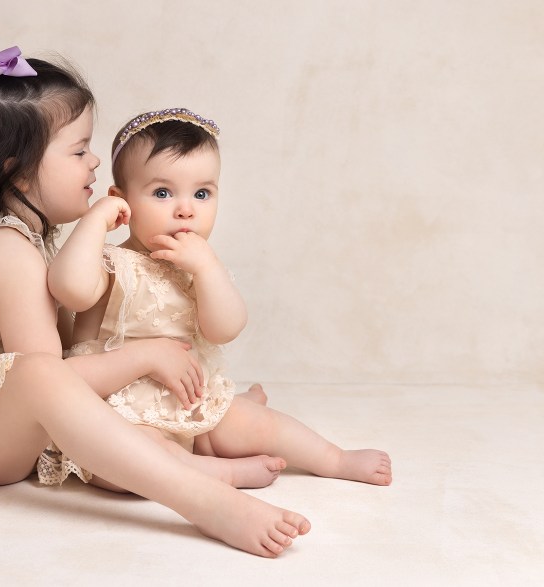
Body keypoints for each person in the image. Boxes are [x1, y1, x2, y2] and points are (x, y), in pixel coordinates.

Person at [0, 47, 311, 558]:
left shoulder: (3, 234)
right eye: (79, 149)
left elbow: (70, 348)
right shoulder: (7, 251)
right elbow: (55, 379)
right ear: (15, 168)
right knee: (44, 373)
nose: (94, 162)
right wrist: (146, 356)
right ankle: (203, 498)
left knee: (82, 372)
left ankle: (198, 430)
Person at [47, 108, 393, 491]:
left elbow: (225, 328)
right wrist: (95, 221)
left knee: (252, 423)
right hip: (117, 409)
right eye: (162, 193)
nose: (186, 209)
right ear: (121, 201)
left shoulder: (197, 267)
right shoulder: (112, 262)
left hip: (190, 400)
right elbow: (68, 288)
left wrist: (208, 270)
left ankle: (333, 458)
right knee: (126, 464)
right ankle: (220, 474)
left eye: (202, 193)